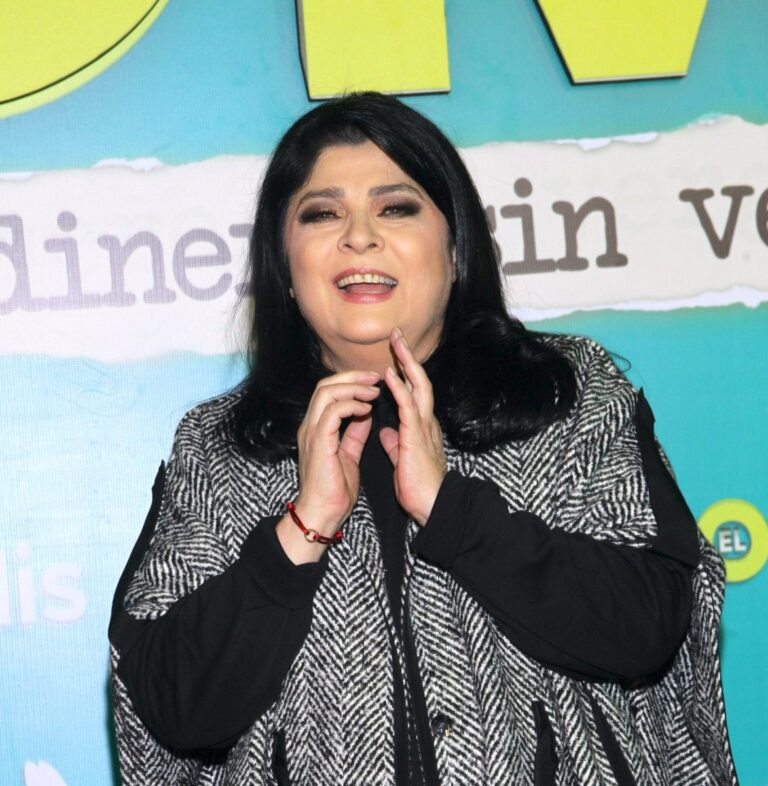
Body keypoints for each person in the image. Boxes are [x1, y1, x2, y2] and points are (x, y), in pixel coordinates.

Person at [109, 92, 737, 785]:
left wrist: (452, 510)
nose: (359, 237)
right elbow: (168, 704)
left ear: (457, 248)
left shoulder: (566, 391)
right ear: (284, 268)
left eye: (396, 208)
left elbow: (649, 624)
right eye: (322, 214)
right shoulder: (219, 447)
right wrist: (302, 529)